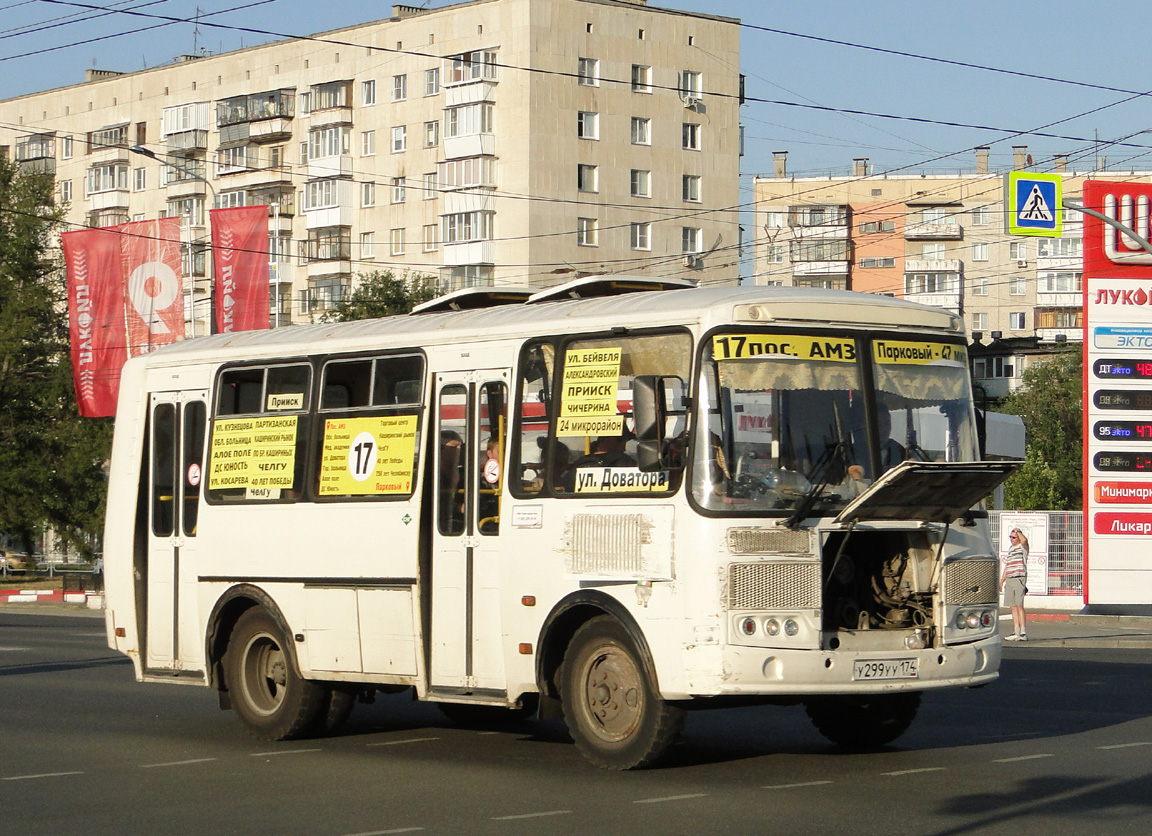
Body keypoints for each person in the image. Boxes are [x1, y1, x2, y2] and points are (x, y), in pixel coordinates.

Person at [1001, 527, 1029, 641]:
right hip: (1010, 578)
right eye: (1010, 537)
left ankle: (1023, 632)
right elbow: (1007, 566)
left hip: (1019, 578)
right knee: (1012, 606)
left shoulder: (1022, 548)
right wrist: (1002, 580)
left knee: (1019, 605)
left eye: (1013, 537)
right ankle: (1016, 631)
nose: (1011, 539)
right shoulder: (1010, 549)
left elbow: (1025, 541)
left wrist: (1018, 532)